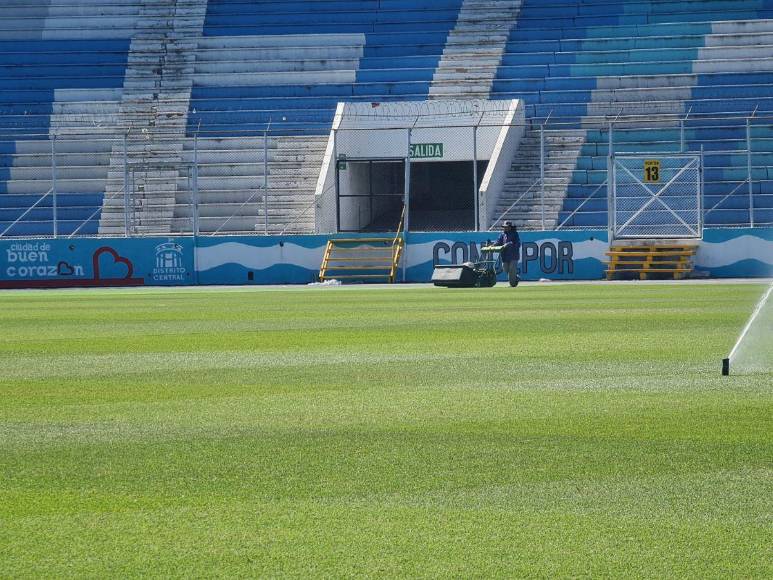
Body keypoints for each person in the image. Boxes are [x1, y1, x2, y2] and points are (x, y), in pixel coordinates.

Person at [496, 221, 521, 287]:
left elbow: (517, 243)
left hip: (513, 255)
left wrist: (508, 244)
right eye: (504, 227)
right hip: (504, 256)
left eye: (506, 227)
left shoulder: (515, 234)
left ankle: (512, 284)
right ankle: (516, 277)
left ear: (510, 227)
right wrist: (492, 245)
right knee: (505, 268)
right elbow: (498, 242)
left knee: (512, 269)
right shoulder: (502, 235)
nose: (505, 228)